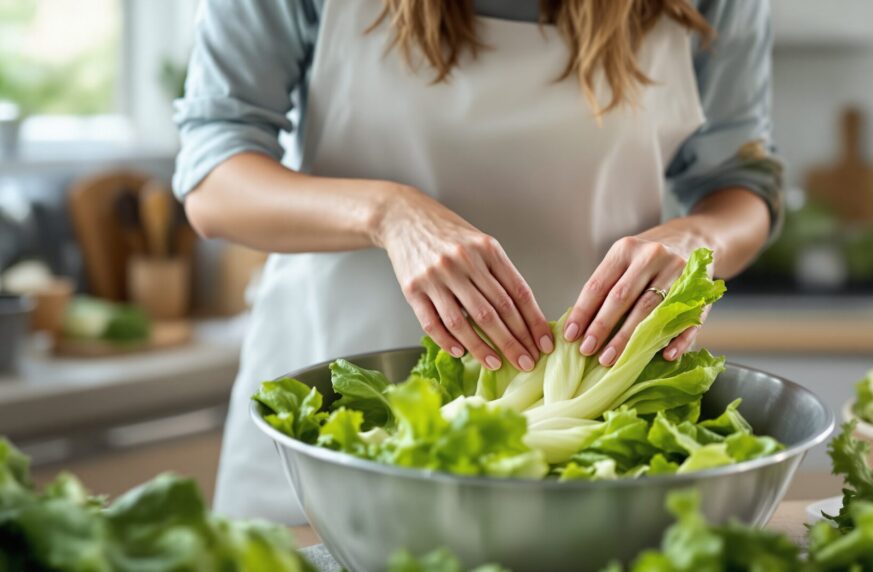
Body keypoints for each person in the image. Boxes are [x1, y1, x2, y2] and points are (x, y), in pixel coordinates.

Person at [173, 0, 782, 524]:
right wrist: (389, 213)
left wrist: (697, 237)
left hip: (579, 440)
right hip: (334, 434)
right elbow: (214, 183)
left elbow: (742, 185)